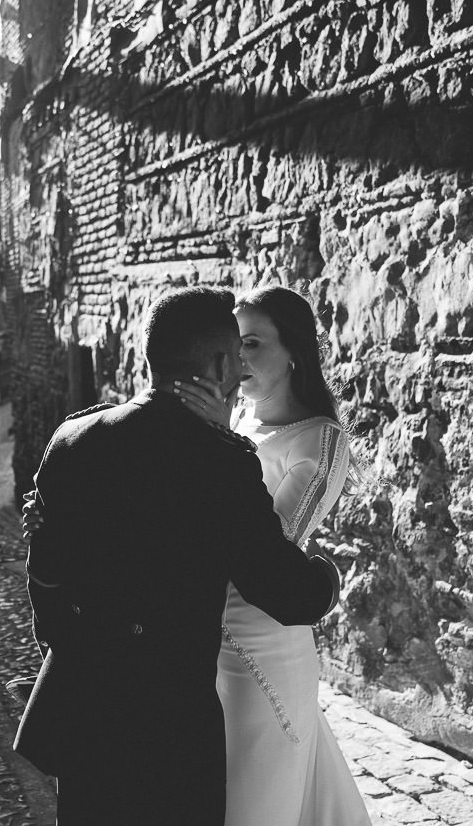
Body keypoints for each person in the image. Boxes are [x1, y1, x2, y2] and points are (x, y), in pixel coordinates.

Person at [14, 286, 341, 826]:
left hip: (86, 710)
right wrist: (326, 579)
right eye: (237, 356)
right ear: (217, 362)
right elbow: (284, 592)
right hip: (171, 727)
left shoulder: (71, 437)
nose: (241, 372)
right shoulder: (222, 463)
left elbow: (46, 579)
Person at [173, 284, 371, 826]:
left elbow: (265, 550)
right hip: (200, 638)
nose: (239, 360)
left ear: (294, 353)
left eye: (254, 344)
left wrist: (213, 441)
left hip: (260, 647)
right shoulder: (237, 424)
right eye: (235, 346)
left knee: (253, 805)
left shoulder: (319, 442)